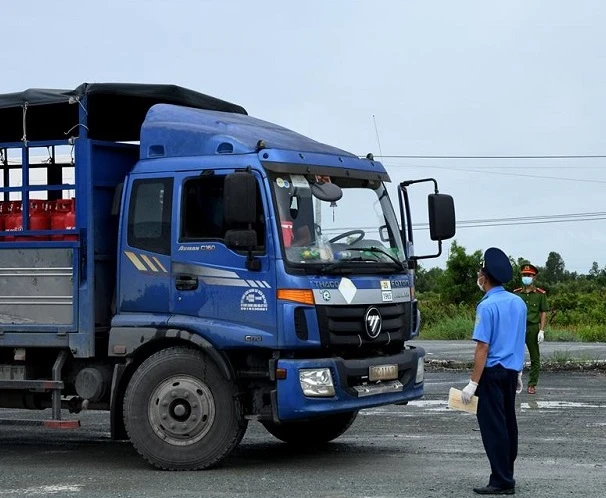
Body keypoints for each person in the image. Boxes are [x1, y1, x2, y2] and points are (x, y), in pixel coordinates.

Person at [461, 247, 527, 495]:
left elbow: (483, 348)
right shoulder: (518, 302)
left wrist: (472, 383)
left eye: (479, 273)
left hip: (491, 374)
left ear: (484, 277)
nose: (479, 276)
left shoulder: (486, 307)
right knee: (509, 423)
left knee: (493, 426)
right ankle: (506, 471)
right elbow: (518, 339)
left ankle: (501, 480)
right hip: (510, 373)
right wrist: (518, 371)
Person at [513, 263, 548, 395]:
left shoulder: (540, 294)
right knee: (514, 355)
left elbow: (543, 312)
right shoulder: (516, 294)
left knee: (535, 357)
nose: (526, 277)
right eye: (524, 275)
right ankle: (514, 381)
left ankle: (532, 384)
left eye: (529, 275)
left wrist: (542, 330)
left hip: (533, 327)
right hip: (518, 328)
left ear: (534, 277)